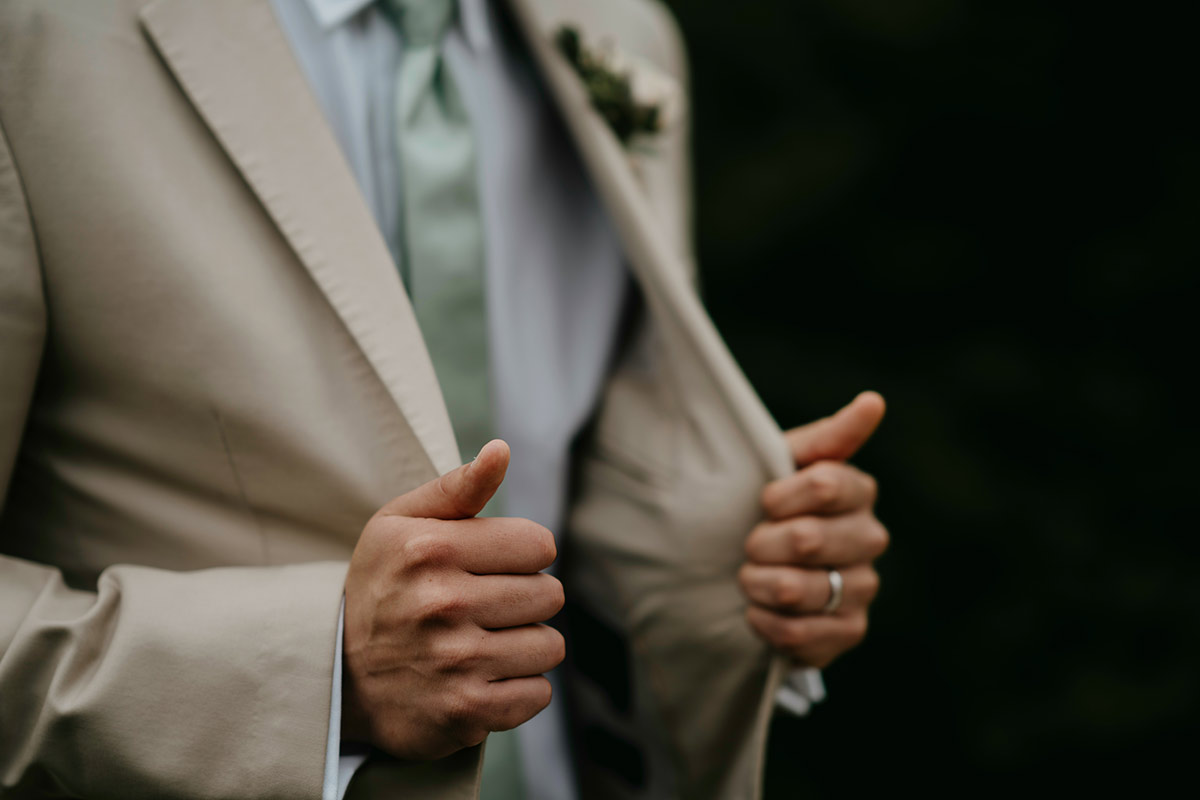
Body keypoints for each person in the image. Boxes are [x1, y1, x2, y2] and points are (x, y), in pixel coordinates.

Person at [0, 0, 888, 798]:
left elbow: (587, 493)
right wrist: (318, 676)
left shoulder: (623, 32)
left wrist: (765, 559)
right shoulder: (33, 35)